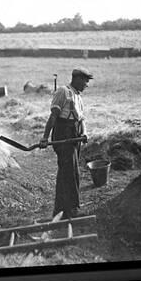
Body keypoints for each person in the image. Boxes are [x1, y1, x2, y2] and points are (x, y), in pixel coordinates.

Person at [39, 67, 93, 218]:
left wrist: (85, 133)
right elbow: (53, 117)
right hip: (63, 135)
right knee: (69, 172)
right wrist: (45, 137)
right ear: (76, 79)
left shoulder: (79, 97)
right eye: (85, 81)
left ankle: (63, 209)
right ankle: (70, 210)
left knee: (71, 172)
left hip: (75, 136)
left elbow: (82, 120)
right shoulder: (63, 91)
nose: (86, 85)